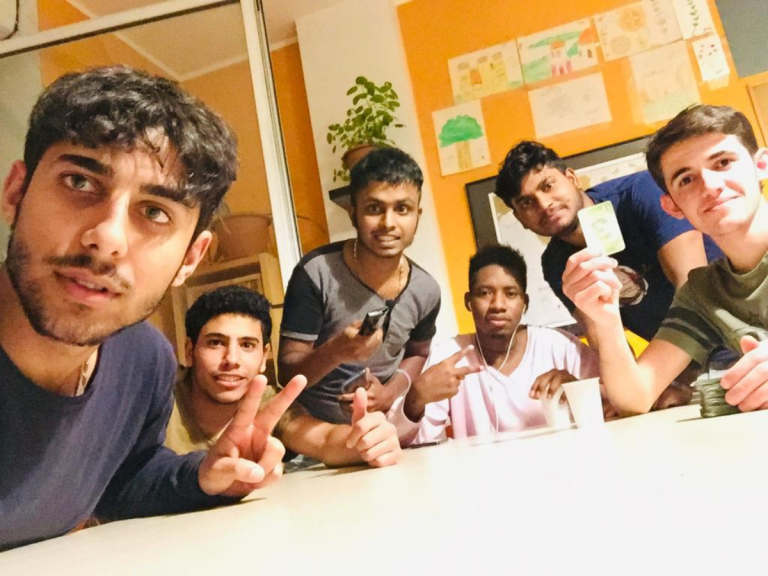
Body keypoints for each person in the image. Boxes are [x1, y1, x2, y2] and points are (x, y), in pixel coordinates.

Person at [0, 66, 305, 551]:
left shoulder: (144, 360)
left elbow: (126, 477)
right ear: (15, 193)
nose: (107, 238)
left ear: (191, 259)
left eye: (155, 212)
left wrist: (203, 475)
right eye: (79, 182)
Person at [561, 104, 768, 415]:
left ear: (761, 165)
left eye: (723, 162)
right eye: (686, 179)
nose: (710, 185)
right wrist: (606, 318)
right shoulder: (703, 293)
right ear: (672, 207)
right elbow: (636, 397)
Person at [494, 140, 723, 345]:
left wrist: (657, 373)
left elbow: (693, 290)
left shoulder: (640, 193)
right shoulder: (556, 264)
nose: (544, 204)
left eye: (547, 186)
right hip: (684, 366)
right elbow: (603, 339)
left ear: (572, 178)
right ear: (519, 218)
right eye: (526, 203)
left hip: (732, 332)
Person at [278, 147, 441, 424]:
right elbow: (287, 374)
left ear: (417, 215)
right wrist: (337, 350)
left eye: (402, 209)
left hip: (382, 430)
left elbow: (418, 354)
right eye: (374, 208)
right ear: (353, 213)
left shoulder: (426, 290)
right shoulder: (316, 273)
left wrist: (390, 393)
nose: (388, 223)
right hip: (310, 431)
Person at [387, 245, 601, 446]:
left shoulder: (560, 348)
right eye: (485, 293)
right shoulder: (450, 356)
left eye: (510, 293)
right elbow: (416, 446)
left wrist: (577, 391)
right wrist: (416, 398)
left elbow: (609, 409)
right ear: (468, 302)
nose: (498, 305)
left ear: (525, 303)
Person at [167, 285, 401, 468]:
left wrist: (368, 439)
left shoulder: (267, 401)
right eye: (216, 343)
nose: (232, 359)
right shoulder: (159, 398)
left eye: (247, 345)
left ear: (263, 357)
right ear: (189, 351)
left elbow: (325, 439)